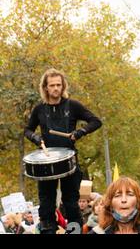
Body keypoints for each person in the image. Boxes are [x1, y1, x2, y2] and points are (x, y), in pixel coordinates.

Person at [24, 68, 102, 234]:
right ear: (45, 87)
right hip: (46, 161)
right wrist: (36, 139)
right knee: (46, 204)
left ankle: (74, 232)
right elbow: (28, 130)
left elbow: (96, 121)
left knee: (71, 203)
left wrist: (80, 132)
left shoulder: (72, 105)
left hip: (69, 159)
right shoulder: (39, 109)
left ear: (63, 86)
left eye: (59, 85)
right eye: (52, 85)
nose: (56, 88)